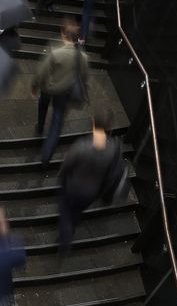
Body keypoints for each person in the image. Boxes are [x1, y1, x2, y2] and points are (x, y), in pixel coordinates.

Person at [57, 108, 121, 252]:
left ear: (93, 126)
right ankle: (72, 227)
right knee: (76, 211)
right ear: (109, 130)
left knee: (65, 209)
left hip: (73, 187)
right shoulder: (113, 148)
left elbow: (67, 165)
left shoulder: (82, 146)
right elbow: (111, 175)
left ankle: (65, 237)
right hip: (91, 192)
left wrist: (62, 177)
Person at [32, 19, 89, 164]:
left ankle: (39, 126)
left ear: (63, 34)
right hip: (65, 92)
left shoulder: (55, 52)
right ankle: (46, 158)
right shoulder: (82, 57)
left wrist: (35, 86)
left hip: (48, 88)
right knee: (56, 124)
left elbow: (42, 72)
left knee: (43, 104)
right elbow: (83, 76)